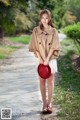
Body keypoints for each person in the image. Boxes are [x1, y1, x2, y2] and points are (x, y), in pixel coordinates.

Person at [29, 9, 60, 114]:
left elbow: (54, 47)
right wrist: (40, 59)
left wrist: (47, 59)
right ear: (40, 18)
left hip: (50, 60)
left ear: (49, 18)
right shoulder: (35, 30)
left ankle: (50, 104)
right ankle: (44, 104)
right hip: (40, 59)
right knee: (42, 81)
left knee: (50, 82)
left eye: (46, 18)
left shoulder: (53, 31)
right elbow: (34, 46)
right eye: (42, 18)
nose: (44, 20)